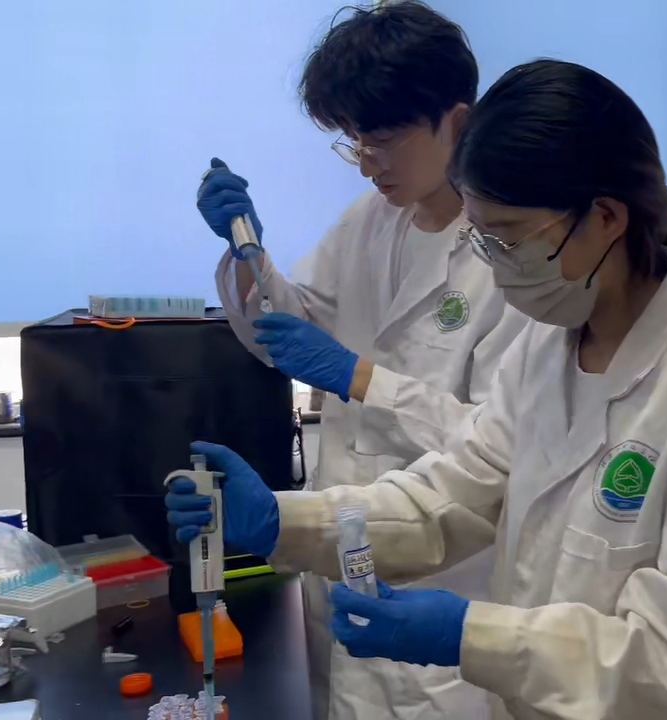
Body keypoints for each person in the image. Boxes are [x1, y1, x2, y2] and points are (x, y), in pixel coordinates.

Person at [173, 59, 667, 720]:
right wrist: (284, 520)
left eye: (510, 239)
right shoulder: (549, 348)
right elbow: (451, 495)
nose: (497, 268)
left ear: (605, 217)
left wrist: (471, 637)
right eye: (484, 242)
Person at [192, 4, 524, 719]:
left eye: (383, 140)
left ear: (458, 122)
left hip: (444, 576)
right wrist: (247, 253)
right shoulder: (368, 221)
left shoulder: (512, 256)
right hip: (340, 554)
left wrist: (361, 378)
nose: (368, 163)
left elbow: (502, 447)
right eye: (353, 142)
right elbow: (288, 331)